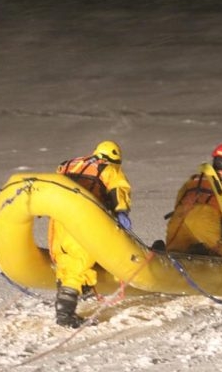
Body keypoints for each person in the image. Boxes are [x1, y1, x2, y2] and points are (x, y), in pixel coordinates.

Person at [48, 140, 132, 328]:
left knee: (65, 259)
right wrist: (121, 212)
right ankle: (65, 314)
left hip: (59, 220)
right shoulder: (108, 169)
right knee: (80, 261)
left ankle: (68, 299)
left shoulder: (68, 164)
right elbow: (119, 191)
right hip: (83, 220)